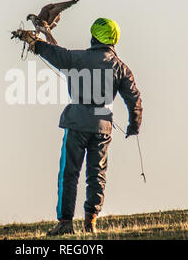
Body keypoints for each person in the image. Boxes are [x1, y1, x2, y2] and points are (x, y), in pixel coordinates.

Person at [16, 18, 143, 236]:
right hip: (103, 126)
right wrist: (134, 125)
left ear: (93, 37)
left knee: (69, 174)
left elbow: (56, 53)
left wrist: (35, 43)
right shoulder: (121, 67)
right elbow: (134, 99)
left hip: (76, 123)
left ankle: (65, 222)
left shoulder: (79, 58)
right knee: (97, 175)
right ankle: (90, 221)